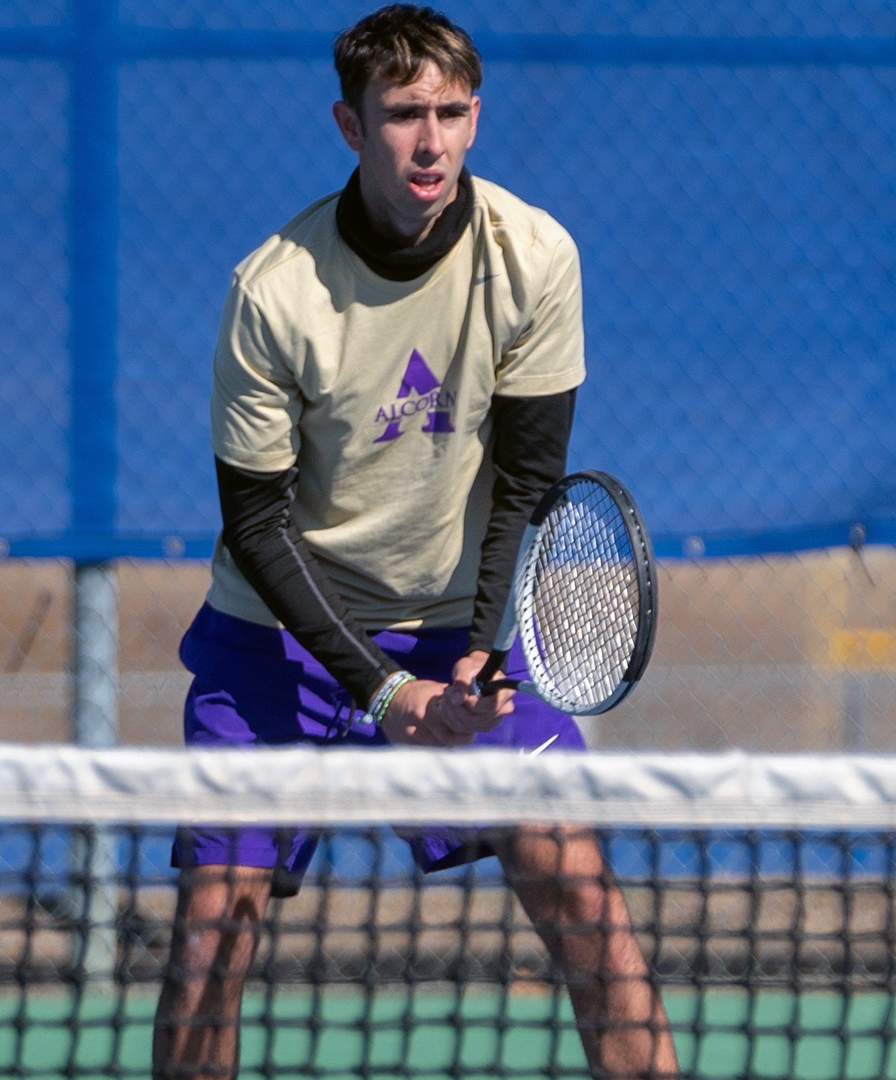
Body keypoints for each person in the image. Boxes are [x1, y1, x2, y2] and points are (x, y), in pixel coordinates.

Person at [152, 6, 679, 1078]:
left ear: (476, 118)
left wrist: (478, 655)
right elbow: (255, 523)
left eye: (449, 111)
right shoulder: (275, 290)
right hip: (280, 644)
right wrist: (387, 697)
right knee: (214, 930)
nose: (429, 139)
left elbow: (528, 479)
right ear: (351, 125)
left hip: (458, 635)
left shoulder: (534, 256)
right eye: (403, 115)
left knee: (582, 893)